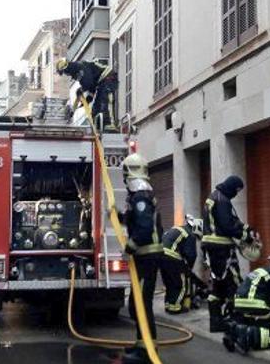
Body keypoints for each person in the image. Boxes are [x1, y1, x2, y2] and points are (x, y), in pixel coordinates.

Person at [116, 153, 163, 363]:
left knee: (142, 304)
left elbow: (144, 229)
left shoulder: (141, 194)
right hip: (145, 257)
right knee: (136, 305)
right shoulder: (140, 195)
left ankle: (146, 351)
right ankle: (141, 343)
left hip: (147, 257)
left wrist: (129, 248)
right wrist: (118, 216)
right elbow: (137, 218)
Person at [201, 175, 258, 332]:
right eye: (237, 191)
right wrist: (246, 237)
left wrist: (248, 229)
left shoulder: (216, 197)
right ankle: (237, 320)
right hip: (221, 248)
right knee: (234, 281)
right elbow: (228, 226)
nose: (236, 194)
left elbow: (234, 220)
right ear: (232, 187)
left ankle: (216, 321)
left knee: (218, 284)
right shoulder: (223, 200)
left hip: (211, 248)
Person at [56, 58, 119, 130]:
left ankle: (110, 125)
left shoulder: (80, 67)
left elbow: (88, 83)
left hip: (108, 77)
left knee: (104, 101)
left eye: (64, 72)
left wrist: (81, 90)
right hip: (101, 82)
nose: (66, 74)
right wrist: (87, 100)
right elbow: (91, 88)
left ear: (67, 68)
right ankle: (99, 127)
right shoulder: (78, 72)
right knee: (96, 108)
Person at [161, 215, 202, 314]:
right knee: (180, 284)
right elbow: (191, 255)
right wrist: (188, 269)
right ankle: (176, 308)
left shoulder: (178, 228)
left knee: (169, 283)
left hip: (161, 256)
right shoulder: (190, 234)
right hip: (172, 257)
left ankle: (169, 305)